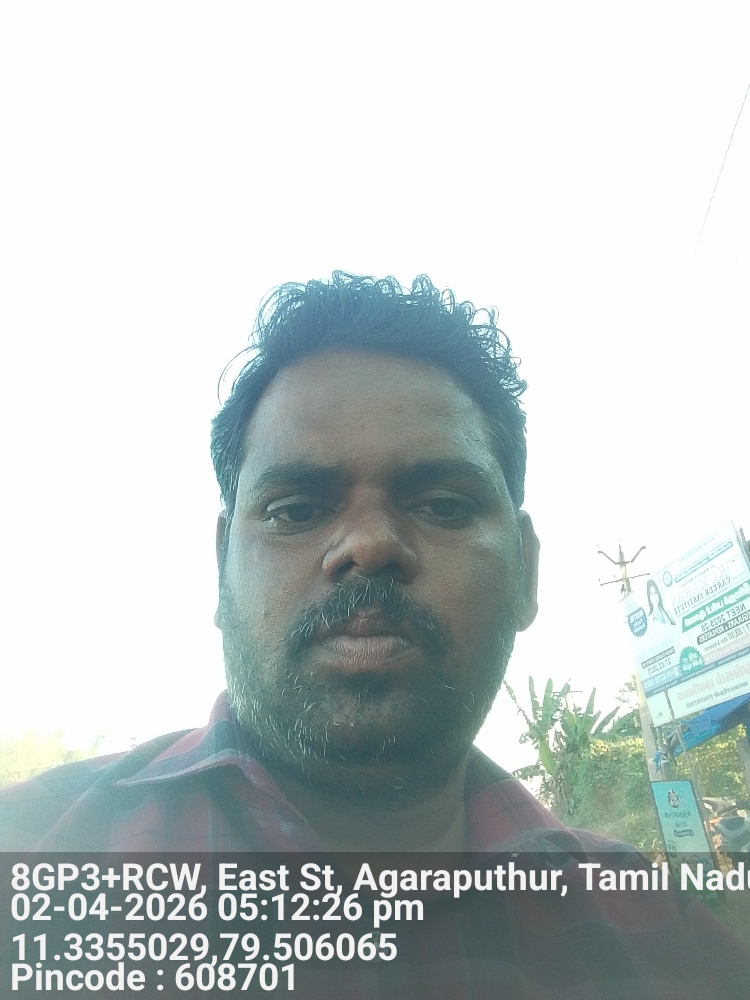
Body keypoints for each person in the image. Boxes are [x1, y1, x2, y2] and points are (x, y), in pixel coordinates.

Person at [1, 274, 747, 997]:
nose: (369, 544)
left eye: (444, 504)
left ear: (525, 572)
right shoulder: (33, 855)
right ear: (220, 568)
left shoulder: (666, 944)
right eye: (295, 510)